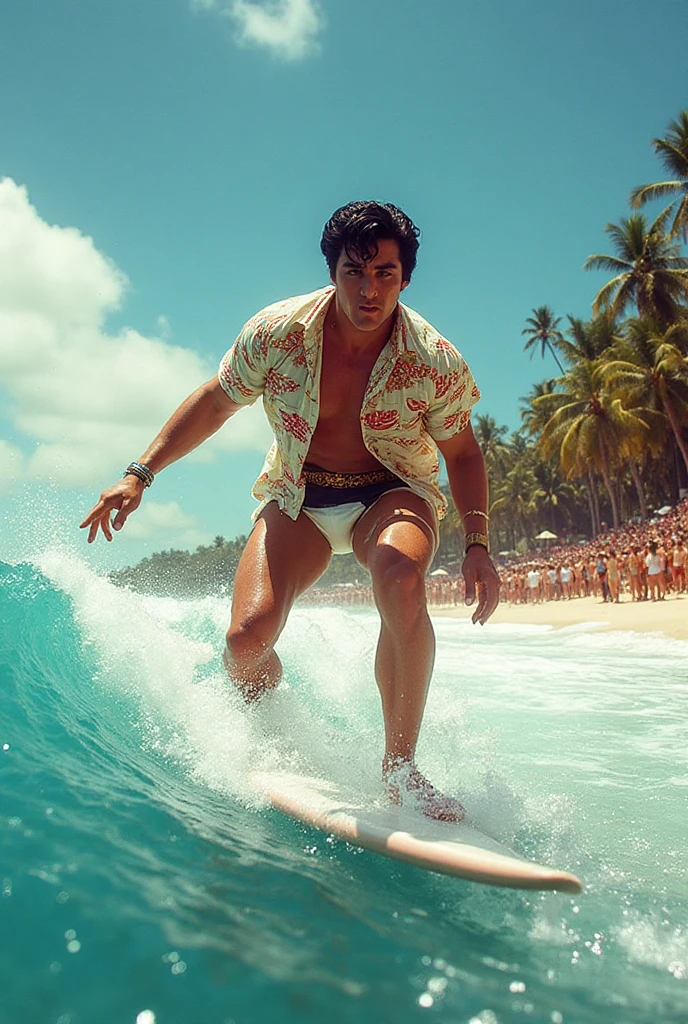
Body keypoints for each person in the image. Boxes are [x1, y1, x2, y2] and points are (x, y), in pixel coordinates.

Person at [80, 200, 500, 822]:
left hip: (390, 492)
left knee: (402, 580)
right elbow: (216, 403)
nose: (369, 289)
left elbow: (463, 454)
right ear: (332, 271)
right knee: (245, 641)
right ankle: (275, 724)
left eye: (385, 273)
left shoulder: (433, 360)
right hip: (298, 496)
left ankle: (401, 769)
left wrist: (478, 545)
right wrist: (139, 474)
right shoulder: (278, 333)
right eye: (355, 272)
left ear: (405, 278)